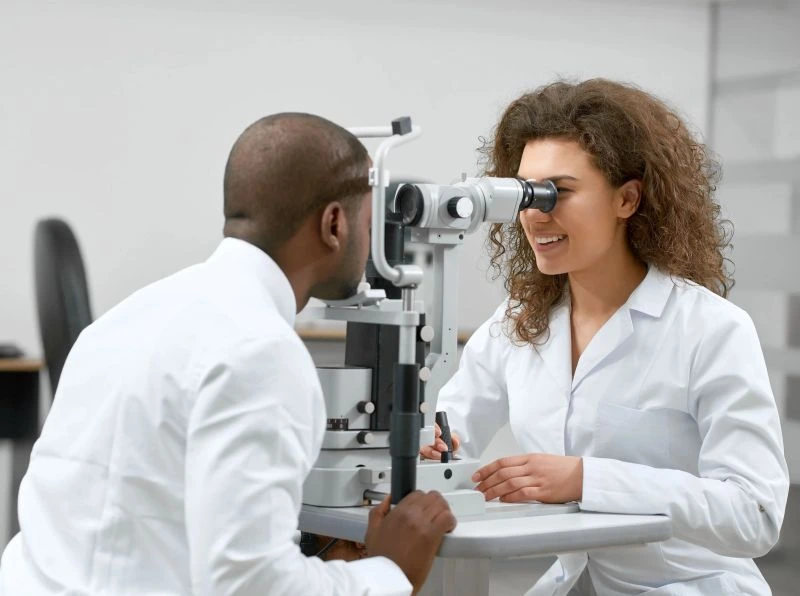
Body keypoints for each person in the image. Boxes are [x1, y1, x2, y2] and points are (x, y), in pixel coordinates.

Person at [1, 113, 456, 595]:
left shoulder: (125, 317)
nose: (370, 244)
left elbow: (153, 516)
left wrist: (318, 556)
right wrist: (389, 571)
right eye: (369, 223)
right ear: (334, 224)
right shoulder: (261, 351)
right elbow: (249, 585)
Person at [421, 79, 789, 595]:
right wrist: (429, 448)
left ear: (627, 199)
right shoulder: (520, 322)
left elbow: (754, 516)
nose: (534, 212)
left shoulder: (712, 329)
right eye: (524, 191)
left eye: (558, 191)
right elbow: (449, 436)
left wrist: (587, 479)